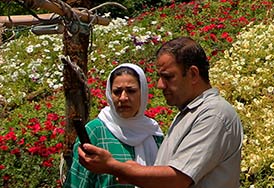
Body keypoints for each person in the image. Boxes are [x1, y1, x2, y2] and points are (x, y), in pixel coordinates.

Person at [78, 37, 242, 188]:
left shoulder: (213, 115)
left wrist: (113, 166)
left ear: (193, 74)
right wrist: (132, 171)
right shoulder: (189, 113)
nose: (160, 85)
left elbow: (177, 178)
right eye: (117, 91)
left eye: (168, 77)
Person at [65, 63, 164, 188]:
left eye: (131, 91)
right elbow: (77, 183)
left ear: (142, 93)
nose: (123, 98)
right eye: (117, 92)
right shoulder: (96, 131)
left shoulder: (153, 133)